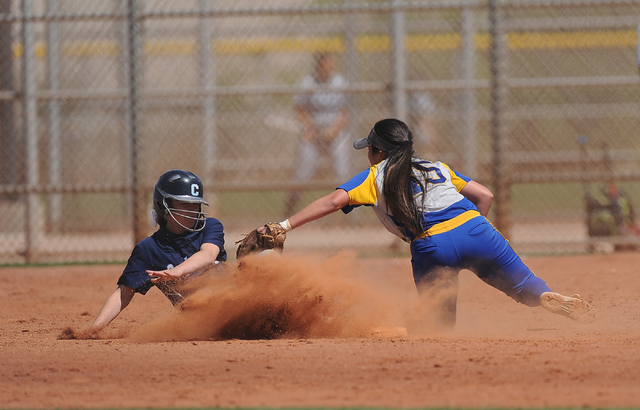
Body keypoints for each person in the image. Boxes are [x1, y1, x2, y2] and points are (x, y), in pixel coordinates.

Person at [260, 118, 596, 328]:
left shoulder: (375, 174)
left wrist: (283, 225)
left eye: (370, 148)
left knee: (439, 324)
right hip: (476, 229)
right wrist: (476, 234)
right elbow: (486, 196)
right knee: (525, 287)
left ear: (377, 152)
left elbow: (333, 201)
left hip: (432, 244)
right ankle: (552, 297)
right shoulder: (435, 166)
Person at [91, 169, 227, 330]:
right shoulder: (149, 249)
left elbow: (209, 254)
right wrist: (95, 328)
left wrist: (178, 271)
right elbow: (123, 294)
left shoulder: (210, 226)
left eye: (196, 204)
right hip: (202, 323)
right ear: (164, 206)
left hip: (232, 306)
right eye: (184, 204)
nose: (192, 209)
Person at [285, 52, 350, 216]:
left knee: (343, 173)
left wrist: (334, 130)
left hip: (335, 133)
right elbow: (300, 109)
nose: (328, 70)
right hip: (313, 134)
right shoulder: (308, 83)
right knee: (302, 175)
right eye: (325, 66)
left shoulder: (340, 82)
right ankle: (288, 211)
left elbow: (345, 112)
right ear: (318, 67)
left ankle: (351, 215)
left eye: (331, 66)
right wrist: (310, 127)